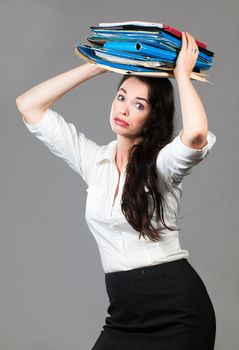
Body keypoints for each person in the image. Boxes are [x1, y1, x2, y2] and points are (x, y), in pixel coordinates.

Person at [16, 31, 216, 349]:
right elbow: (29, 106)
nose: (123, 109)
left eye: (138, 104)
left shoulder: (163, 166)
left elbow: (195, 134)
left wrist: (182, 76)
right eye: (121, 96)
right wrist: (98, 65)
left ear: (153, 116)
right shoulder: (94, 162)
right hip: (124, 315)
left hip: (177, 311)